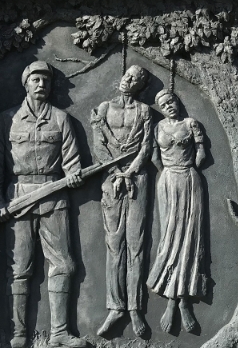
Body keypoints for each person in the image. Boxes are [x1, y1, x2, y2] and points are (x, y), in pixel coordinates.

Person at [0, 61, 86, 348]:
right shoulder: (8, 120)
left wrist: (74, 176)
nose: (42, 84)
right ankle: (17, 334)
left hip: (54, 198)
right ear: (26, 84)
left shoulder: (62, 119)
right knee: (19, 268)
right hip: (19, 200)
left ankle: (60, 334)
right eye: (36, 80)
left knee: (63, 264)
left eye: (46, 80)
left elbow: (72, 162)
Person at [91, 65, 153, 338]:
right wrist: (116, 173)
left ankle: (135, 307)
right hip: (111, 182)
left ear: (140, 85)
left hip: (137, 180)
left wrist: (129, 172)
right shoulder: (104, 109)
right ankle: (115, 307)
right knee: (115, 246)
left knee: (136, 245)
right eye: (126, 75)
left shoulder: (144, 111)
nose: (127, 80)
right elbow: (99, 145)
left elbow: (147, 146)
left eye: (134, 78)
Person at [147, 90, 208, 333]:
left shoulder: (191, 124)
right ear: (160, 108)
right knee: (169, 238)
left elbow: (201, 154)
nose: (168, 106)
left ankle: (183, 302)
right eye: (163, 104)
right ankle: (170, 301)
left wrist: (187, 169)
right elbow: (154, 157)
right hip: (168, 182)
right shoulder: (158, 127)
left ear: (177, 101)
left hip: (190, 182)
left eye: (171, 101)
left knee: (190, 241)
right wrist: (169, 173)